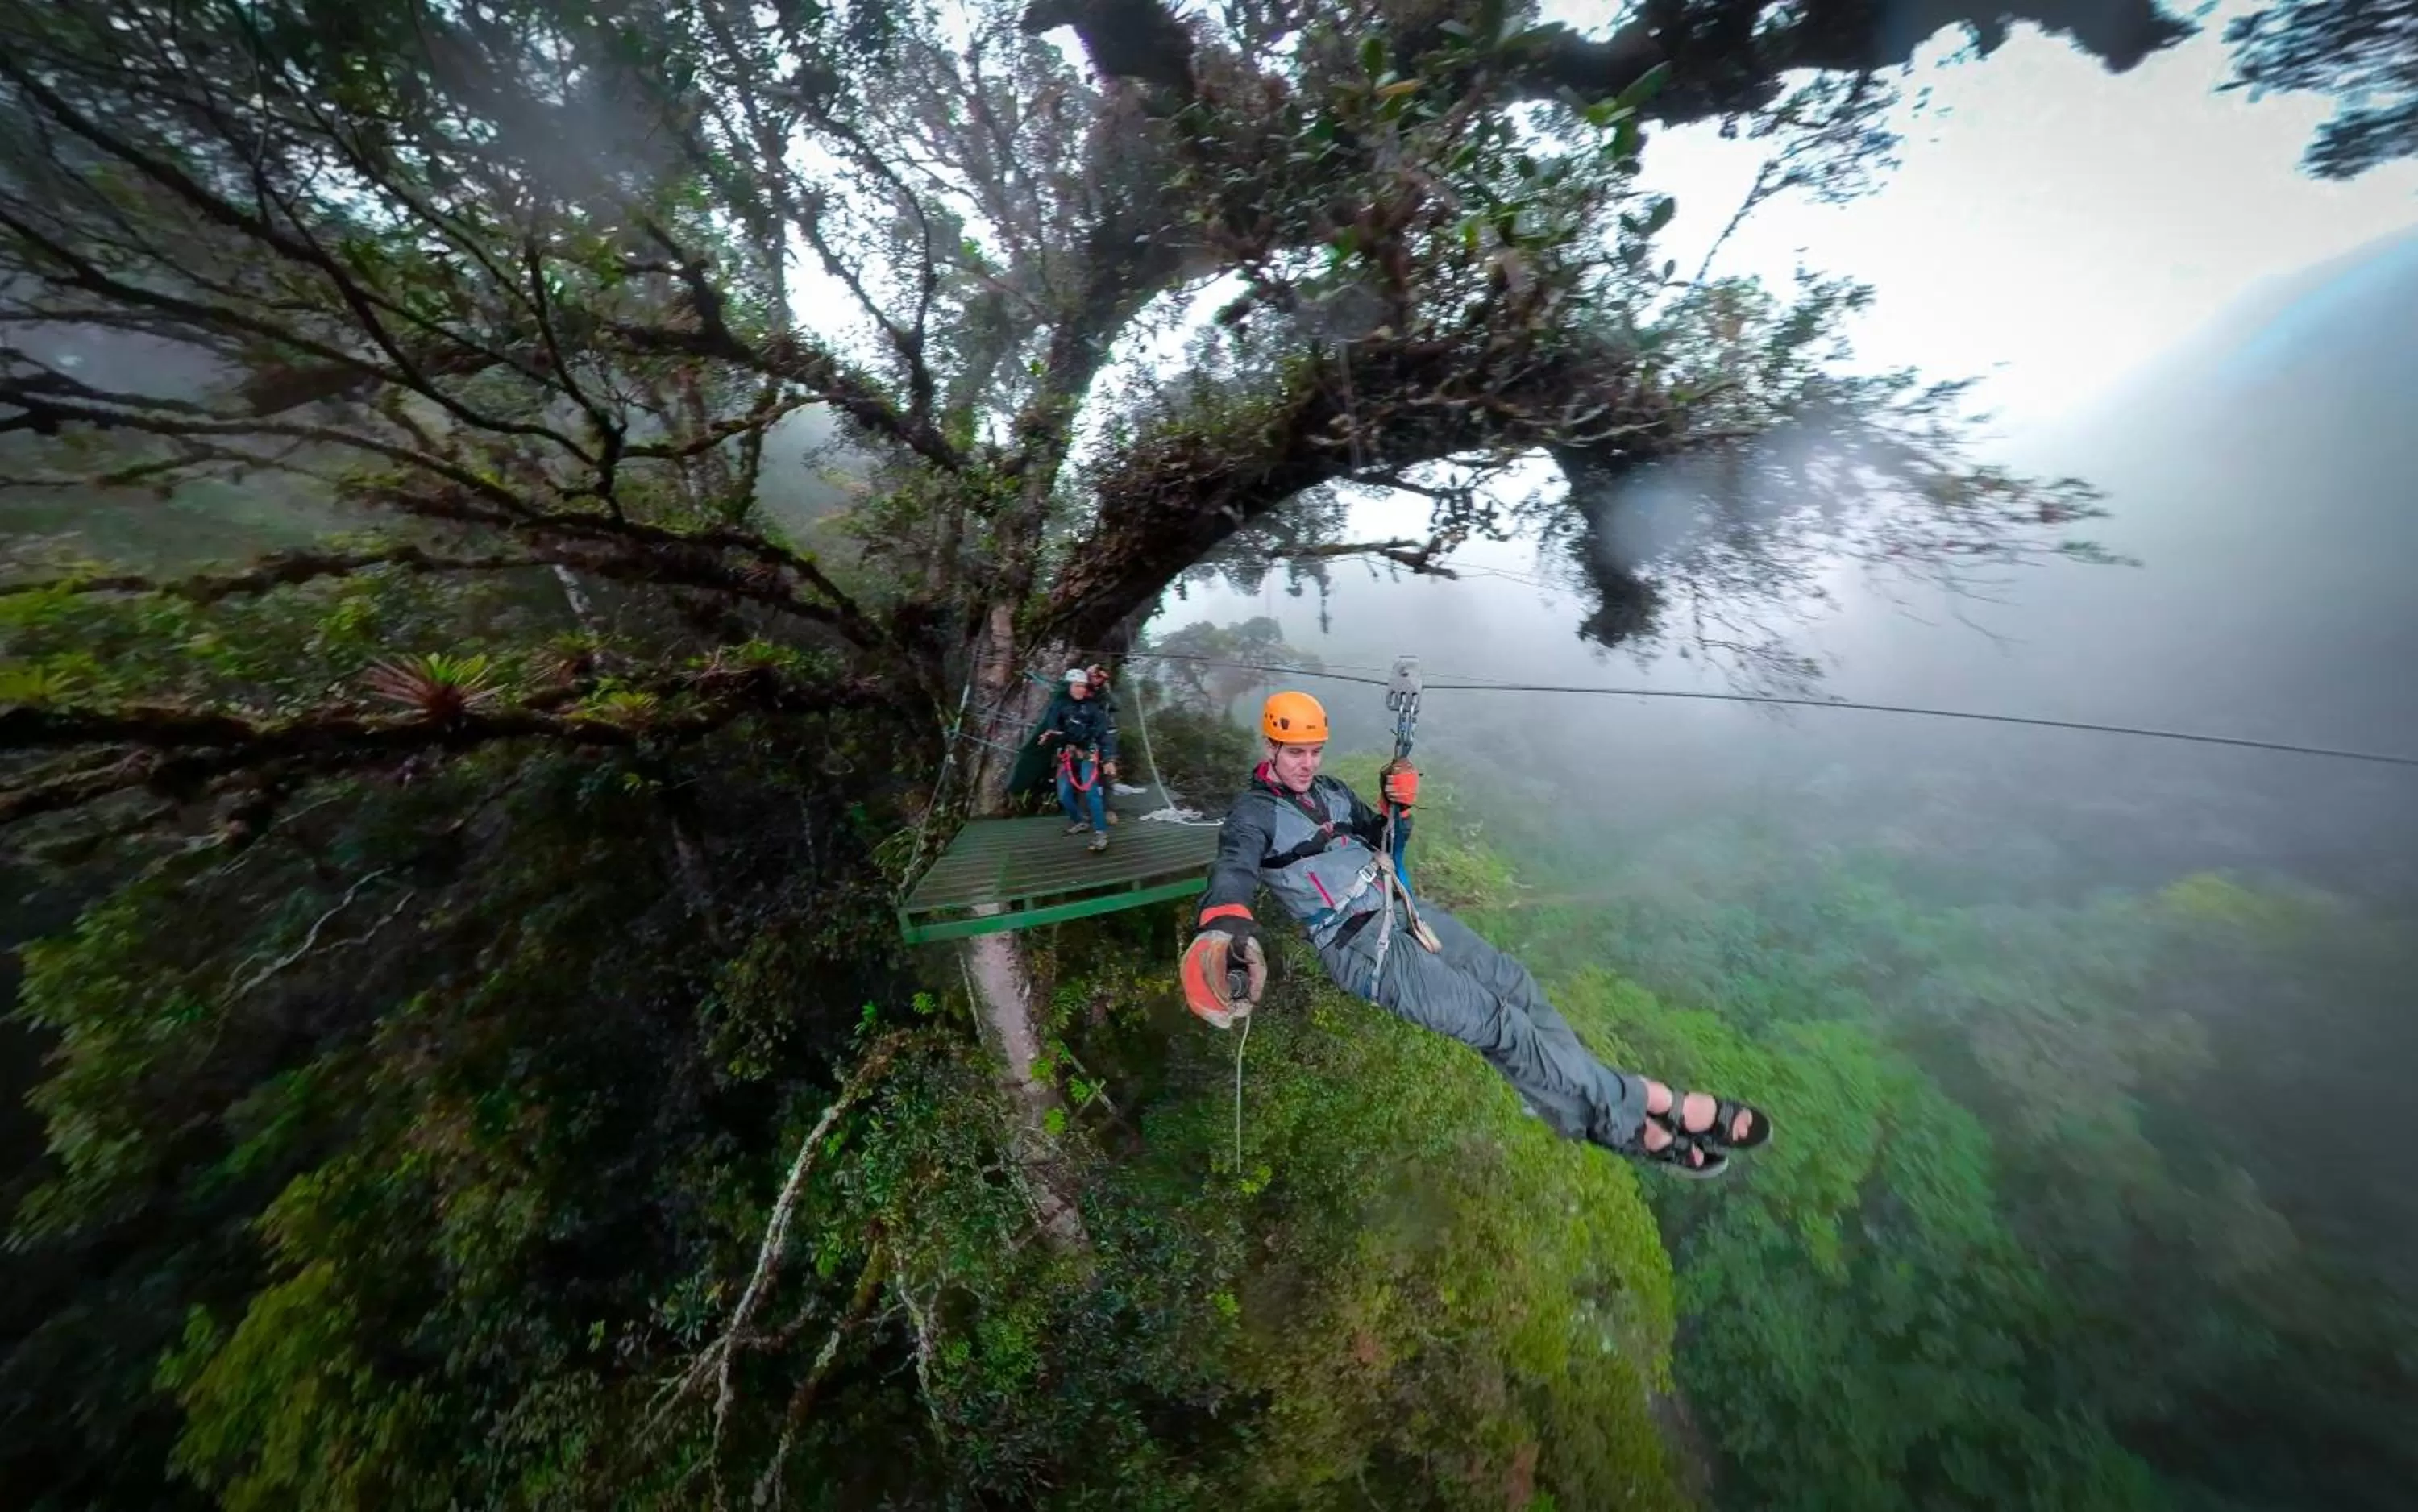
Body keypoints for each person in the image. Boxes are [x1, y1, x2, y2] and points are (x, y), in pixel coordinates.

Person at [1179, 691, 1773, 1176]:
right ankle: (1649, 1110)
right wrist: (1224, 921)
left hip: (1403, 912)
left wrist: (1397, 810)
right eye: (1295, 753)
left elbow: (1382, 838)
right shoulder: (1254, 812)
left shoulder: (1330, 792)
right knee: (1499, 1024)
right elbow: (1234, 864)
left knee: (1513, 984)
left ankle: (1607, 1119)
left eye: (1314, 751)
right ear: (1271, 747)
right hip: (1360, 945)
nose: (1307, 763)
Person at [1038, 666, 1120, 854]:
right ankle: (1081, 821)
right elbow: (1053, 726)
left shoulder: (1093, 707)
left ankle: (1101, 833)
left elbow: (1104, 733)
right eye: (1076, 686)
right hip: (1067, 754)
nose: (1080, 690)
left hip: (1088, 754)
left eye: (1083, 686)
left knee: (1091, 793)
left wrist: (1108, 759)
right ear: (1068, 686)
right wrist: (1051, 735)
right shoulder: (1059, 705)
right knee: (1064, 795)